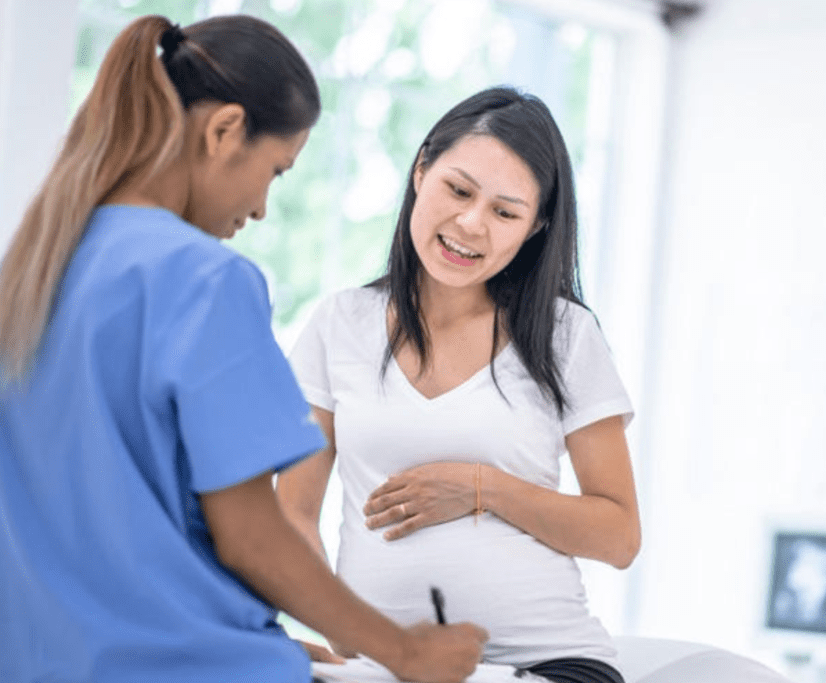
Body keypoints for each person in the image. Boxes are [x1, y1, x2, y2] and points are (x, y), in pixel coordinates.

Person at [0, 14, 485, 683]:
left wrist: (249, 634)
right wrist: (406, 651)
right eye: (277, 171)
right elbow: (252, 536)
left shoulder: (33, 270)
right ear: (225, 129)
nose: (260, 209)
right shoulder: (203, 278)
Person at [278, 87, 642, 683]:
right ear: (422, 169)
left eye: (505, 212)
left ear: (536, 225)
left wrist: (484, 488)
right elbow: (292, 512)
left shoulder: (566, 335)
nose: (471, 224)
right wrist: (344, 633)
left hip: (543, 664)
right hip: (378, 667)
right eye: (459, 190)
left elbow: (620, 537)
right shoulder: (340, 323)